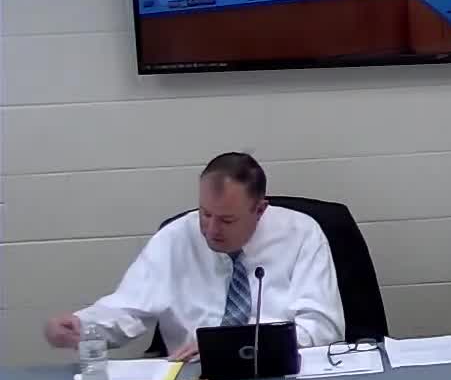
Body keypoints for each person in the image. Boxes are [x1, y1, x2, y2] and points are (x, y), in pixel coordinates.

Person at [41, 153, 343, 360]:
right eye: (205, 214)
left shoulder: (301, 234)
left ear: (260, 210)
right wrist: (82, 326)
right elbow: (128, 308)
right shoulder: (176, 237)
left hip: (281, 371)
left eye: (227, 220)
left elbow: (324, 328)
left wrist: (234, 345)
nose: (211, 230)